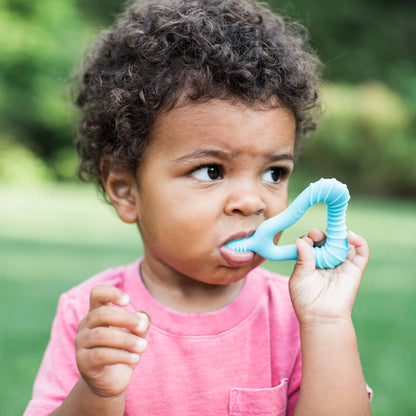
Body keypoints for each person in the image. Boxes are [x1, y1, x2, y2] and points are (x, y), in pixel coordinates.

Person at [24, 0, 372, 415]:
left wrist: (328, 323)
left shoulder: (296, 315)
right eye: (210, 171)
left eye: (273, 173)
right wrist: (97, 392)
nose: (251, 201)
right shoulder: (93, 316)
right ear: (125, 190)